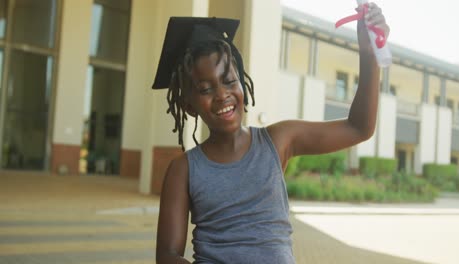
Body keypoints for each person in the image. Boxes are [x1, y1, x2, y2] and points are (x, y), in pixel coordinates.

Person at [153, 3, 389, 263]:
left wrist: (370, 55)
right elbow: (167, 255)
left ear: (243, 84)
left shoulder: (277, 141)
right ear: (189, 106)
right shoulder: (184, 169)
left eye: (230, 81)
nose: (222, 95)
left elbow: (358, 127)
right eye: (205, 89)